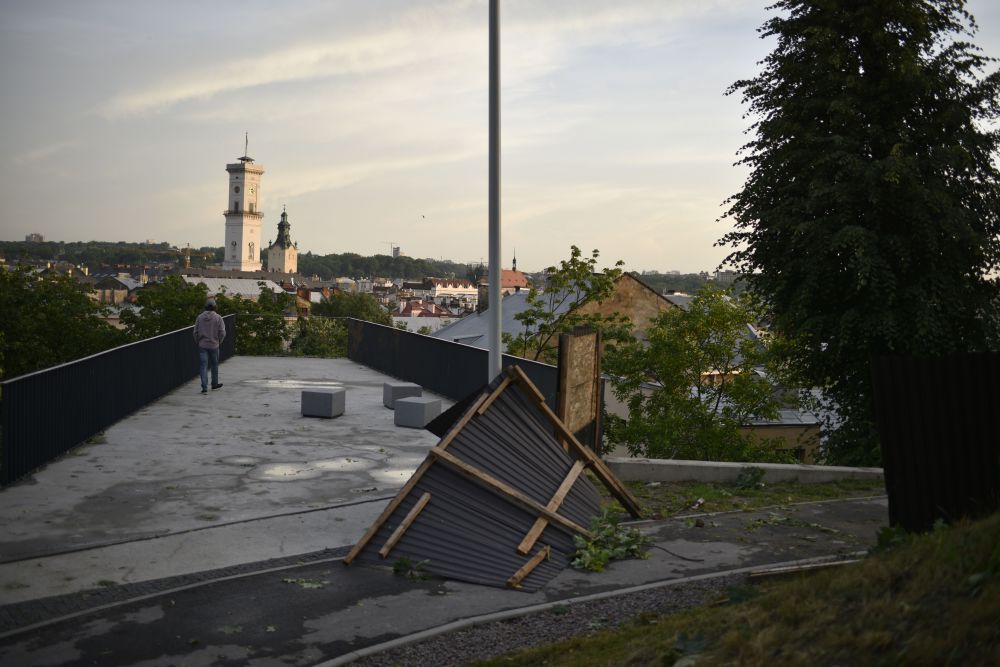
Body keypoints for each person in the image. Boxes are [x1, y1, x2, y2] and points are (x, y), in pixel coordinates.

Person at [193, 297, 226, 394]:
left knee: (203, 366)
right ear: (215, 307)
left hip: (202, 345)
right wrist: (219, 341)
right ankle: (214, 384)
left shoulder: (199, 317)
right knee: (214, 365)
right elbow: (223, 332)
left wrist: (198, 342)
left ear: (205, 307)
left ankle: (204, 387)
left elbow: (195, 332)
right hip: (214, 345)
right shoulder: (218, 318)